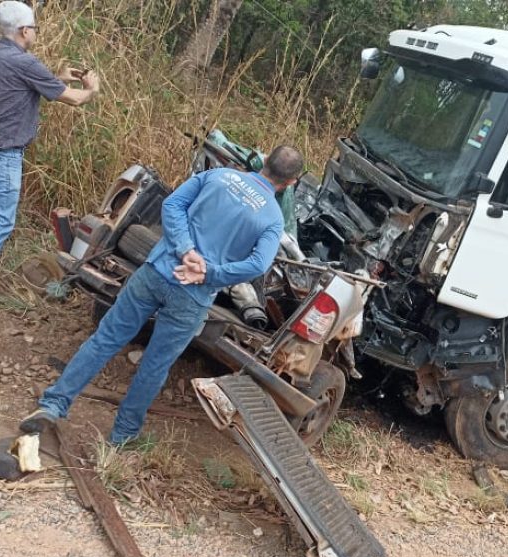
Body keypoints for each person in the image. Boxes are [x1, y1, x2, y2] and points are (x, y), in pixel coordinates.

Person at [19, 146, 303, 445]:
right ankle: (122, 436)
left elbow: (172, 205)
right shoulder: (272, 219)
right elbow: (258, 264)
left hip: (157, 271)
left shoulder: (218, 176)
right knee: (155, 364)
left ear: (265, 160)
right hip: (193, 296)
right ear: (292, 182)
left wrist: (185, 249)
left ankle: (53, 405)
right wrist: (209, 273)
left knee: (106, 339)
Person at [0, 1, 100, 317]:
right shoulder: (25, 63)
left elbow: (16, 87)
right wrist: (91, 89)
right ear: (24, 30)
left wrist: (56, 77)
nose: (36, 32)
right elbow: (74, 99)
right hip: (4, 154)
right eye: (35, 28)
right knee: (0, 222)